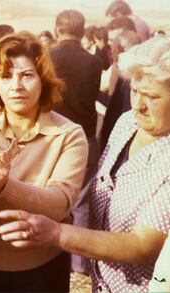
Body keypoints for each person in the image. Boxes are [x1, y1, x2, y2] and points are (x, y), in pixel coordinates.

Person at [0, 35, 170, 292]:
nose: (139, 105)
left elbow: (144, 245)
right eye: (135, 91)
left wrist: (58, 234)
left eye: (152, 96)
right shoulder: (127, 123)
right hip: (102, 284)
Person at [0, 32, 88, 292]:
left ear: (43, 80)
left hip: (43, 270)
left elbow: (59, 204)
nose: (16, 85)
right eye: (6, 76)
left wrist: (5, 185)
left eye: (27, 75)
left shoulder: (69, 135)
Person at [49, 9, 103, 275]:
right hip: (85, 135)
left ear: (58, 29)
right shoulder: (93, 63)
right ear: (82, 32)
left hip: (51, 136)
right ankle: (80, 264)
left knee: (47, 195)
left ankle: (49, 253)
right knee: (81, 203)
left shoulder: (47, 57)